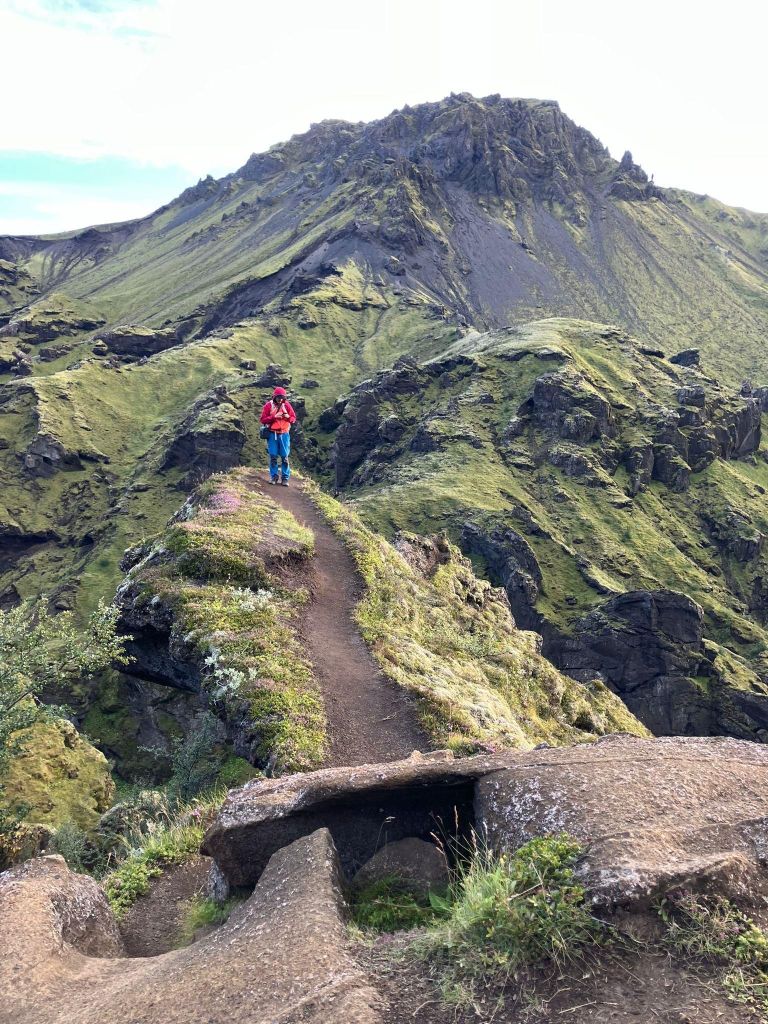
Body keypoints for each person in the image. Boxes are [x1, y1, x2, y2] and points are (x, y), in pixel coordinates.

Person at [260, 386, 297, 485]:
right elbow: (263, 419)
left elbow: (293, 418)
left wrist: (288, 417)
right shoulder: (269, 405)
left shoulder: (287, 405)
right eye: (278, 397)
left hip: (284, 434)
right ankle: (274, 477)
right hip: (273, 434)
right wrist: (273, 417)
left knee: (284, 456)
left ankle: (285, 478)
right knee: (273, 456)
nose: (280, 399)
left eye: (282, 397)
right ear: (274, 397)